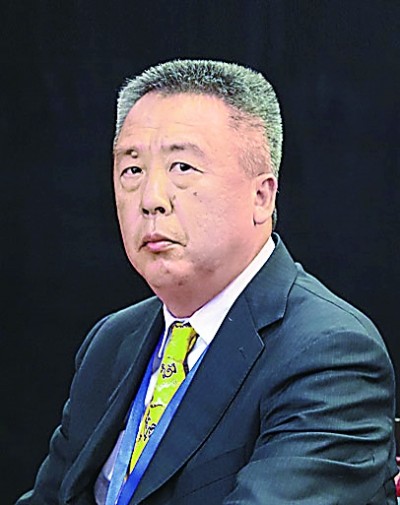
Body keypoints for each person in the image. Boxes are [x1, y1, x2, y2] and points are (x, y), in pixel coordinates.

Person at [16, 59, 398, 505]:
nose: (151, 200)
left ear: (262, 196)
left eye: (182, 167)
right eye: (132, 170)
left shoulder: (330, 355)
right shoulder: (112, 341)